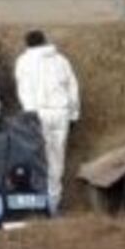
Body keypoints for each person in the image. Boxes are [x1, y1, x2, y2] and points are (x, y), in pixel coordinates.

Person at [15, 30, 80, 213]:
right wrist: (74, 115)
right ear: (44, 41)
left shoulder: (23, 61)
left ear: (27, 44)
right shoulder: (61, 60)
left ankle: (37, 202)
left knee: (37, 158)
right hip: (60, 113)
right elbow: (72, 88)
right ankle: (53, 205)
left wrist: (28, 114)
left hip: (37, 114)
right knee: (56, 158)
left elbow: (22, 89)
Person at [0, 163, 50, 230]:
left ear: (11, 180)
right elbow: (50, 220)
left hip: (6, 240)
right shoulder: (42, 199)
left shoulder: (1, 200)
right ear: (30, 178)